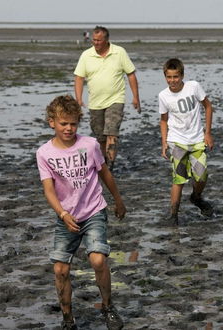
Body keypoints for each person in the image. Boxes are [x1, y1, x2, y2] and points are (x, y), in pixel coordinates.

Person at [36, 95, 126, 330]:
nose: (68, 128)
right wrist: (63, 214)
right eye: (63, 123)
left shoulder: (90, 145)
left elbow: (104, 174)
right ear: (52, 122)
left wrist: (118, 200)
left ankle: (108, 307)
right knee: (60, 269)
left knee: (97, 259)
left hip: (94, 211)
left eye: (73, 123)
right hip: (66, 217)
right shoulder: (44, 153)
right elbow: (48, 190)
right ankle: (68, 319)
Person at [74, 26, 141, 170]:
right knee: (100, 138)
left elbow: (131, 74)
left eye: (99, 40)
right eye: (94, 40)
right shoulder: (86, 55)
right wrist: (78, 99)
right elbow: (79, 78)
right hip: (95, 103)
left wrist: (136, 97)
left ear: (106, 40)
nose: (96, 43)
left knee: (112, 134)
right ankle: (104, 164)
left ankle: (110, 166)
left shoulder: (119, 52)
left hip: (115, 100)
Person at [158, 58, 214, 225]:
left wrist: (208, 133)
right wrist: (164, 142)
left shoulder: (193, 87)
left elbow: (208, 107)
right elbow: (163, 120)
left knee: (201, 175)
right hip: (177, 142)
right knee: (179, 179)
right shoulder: (163, 96)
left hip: (197, 140)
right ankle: (173, 215)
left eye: (176, 77)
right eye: (169, 77)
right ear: (165, 77)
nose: (172, 81)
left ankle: (196, 197)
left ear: (182, 75)